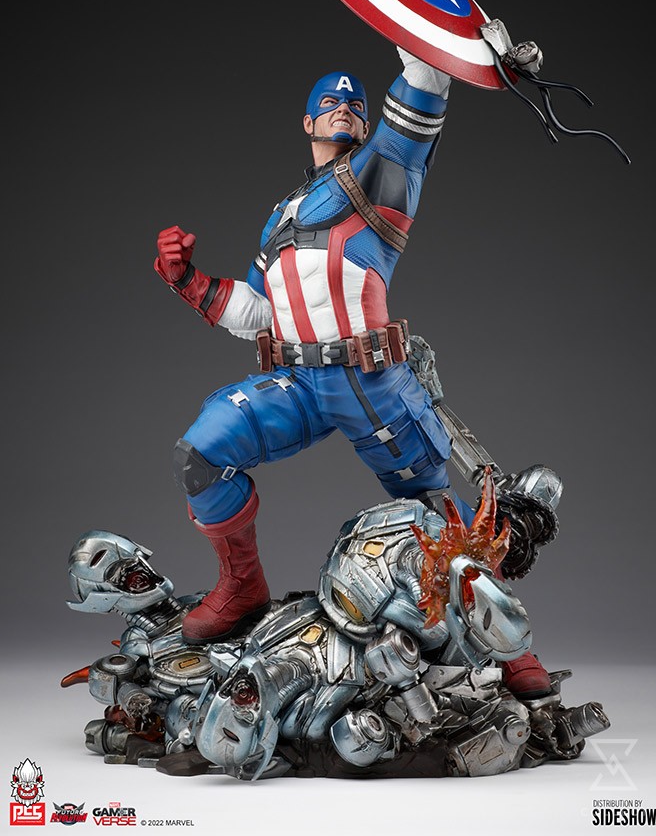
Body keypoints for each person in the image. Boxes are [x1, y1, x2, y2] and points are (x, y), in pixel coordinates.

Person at [154, 47, 553, 697]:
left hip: (372, 383)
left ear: (366, 125)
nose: (342, 107)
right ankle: (242, 586)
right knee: (200, 455)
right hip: (300, 386)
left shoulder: (381, 174)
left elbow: (425, 78)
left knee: (439, 518)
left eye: (354, 105)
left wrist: (418, 25)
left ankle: (510, 647)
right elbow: (260, 312)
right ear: (307, 123)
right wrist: (188, 281)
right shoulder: (281, 215)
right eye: (329, 103)